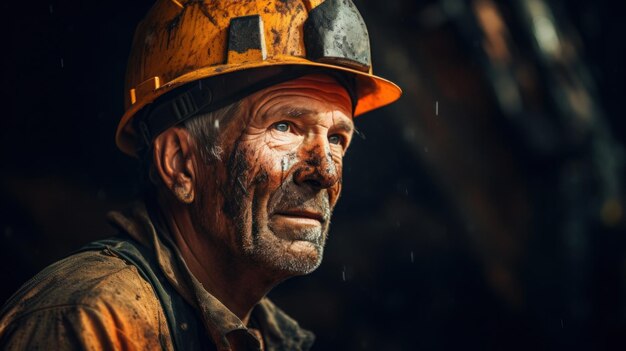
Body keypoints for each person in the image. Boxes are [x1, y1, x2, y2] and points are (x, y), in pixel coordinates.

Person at [0, 0, 401, 350]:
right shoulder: (95, 320)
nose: (325, 172)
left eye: (336, 138)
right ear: (180, 163)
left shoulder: (269, 337)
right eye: (284, 126)